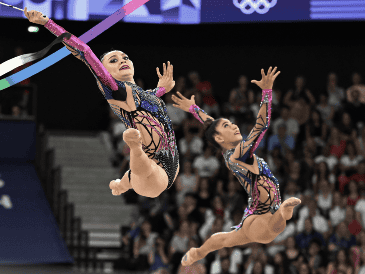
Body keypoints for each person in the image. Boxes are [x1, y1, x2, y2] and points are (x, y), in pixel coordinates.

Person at [24, 8, 179, 198]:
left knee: (133, 176)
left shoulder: (139, 93)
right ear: (104, 72)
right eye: (113, 61)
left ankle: (121, 184)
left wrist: (162, 89)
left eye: (125, 57)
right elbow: (84, 51)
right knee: (141, 166)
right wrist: (47, 23)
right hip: (153, 173)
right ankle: (134, 147)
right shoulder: (115, 90)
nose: (122, 60)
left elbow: (149, 104)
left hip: (172, 164)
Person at [172, 67, 301, 266]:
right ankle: (283, 212)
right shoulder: (239, 154)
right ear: (219, 138)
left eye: (231, 123)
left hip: (257, 214)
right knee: (272, 230)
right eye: (227, 126)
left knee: (224, 239)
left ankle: (197, 252)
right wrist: (267, 92)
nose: (233, 125)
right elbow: (262, 124)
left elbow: (211, 125)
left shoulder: (229, 151)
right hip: (262, 217)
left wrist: (194, 109)